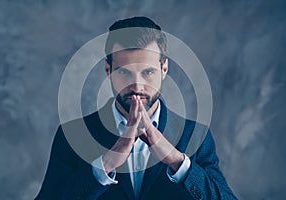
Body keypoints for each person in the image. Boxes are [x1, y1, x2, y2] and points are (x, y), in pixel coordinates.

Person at [35, 16, 237, 200]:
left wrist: (177, 162)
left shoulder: (196, 136)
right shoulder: (74, 135)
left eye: (148, 72)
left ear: (164, 69)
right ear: (108, 70)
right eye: (124, 73)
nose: (137, 86)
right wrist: (104, 167)